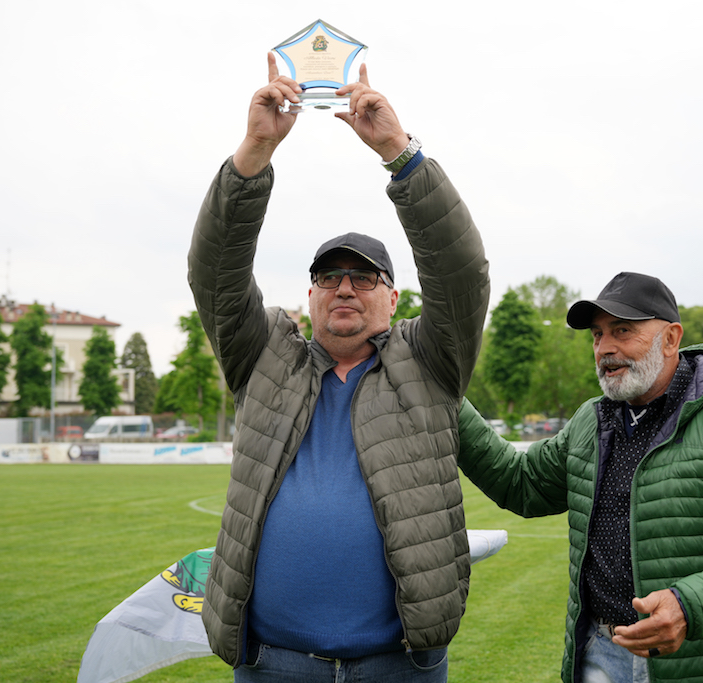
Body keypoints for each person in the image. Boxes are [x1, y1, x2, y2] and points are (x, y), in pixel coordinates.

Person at [188, 54, 490, 682]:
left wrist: (400, 155)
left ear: (394, 297)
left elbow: (461, 274)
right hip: (275, 665)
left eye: (363, 277)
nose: (345, 288)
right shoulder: (265, 353)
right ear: (311, 297)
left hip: (400, 666)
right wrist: (255, 150)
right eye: (329, 277)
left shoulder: (430, 362)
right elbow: (215, 271)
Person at [457, 271, 703, 683]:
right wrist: (445, 397)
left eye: (623, 331)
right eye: (597, 335)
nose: (605, 349)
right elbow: (521, 484)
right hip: (600, 654)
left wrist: (689, 606)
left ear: (670, 339)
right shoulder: (590, 421)